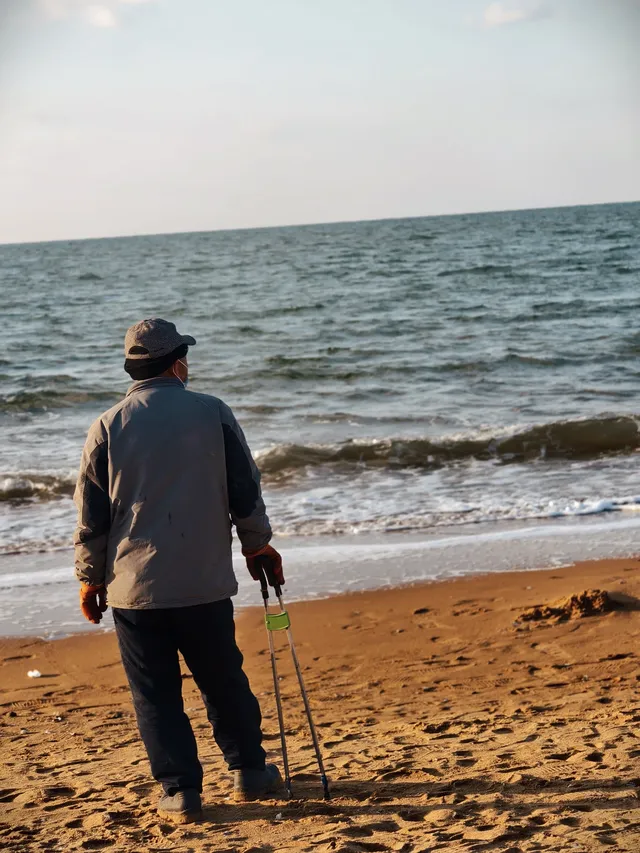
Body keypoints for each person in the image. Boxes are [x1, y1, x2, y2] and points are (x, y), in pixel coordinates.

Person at [73, 318, 284, 824]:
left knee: (156, 695)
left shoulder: (107, 425)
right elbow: (245, 491)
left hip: (133, 590)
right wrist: (260, 546)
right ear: (177, 362)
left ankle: (180, 791)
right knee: (223, 680)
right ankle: (251, 773)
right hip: (204, 583)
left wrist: (90, 578)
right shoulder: (213, 413)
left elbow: (91, 517)